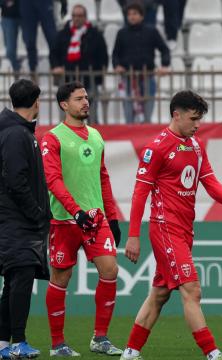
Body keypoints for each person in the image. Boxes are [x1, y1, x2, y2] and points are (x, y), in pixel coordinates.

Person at [120, 90, 222, 360]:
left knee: (159, 294)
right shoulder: (157, 147)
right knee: (192, 289)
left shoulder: (195, 145)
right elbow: (139, 193)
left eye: (200, 119)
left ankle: (131, 352)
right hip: (164, 226)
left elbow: (212, 184)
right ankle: (212, 353)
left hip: (183, 229)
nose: (197, 125)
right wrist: (133, 236)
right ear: (176, 115)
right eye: (193, 119)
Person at [41, 81, 122, 357]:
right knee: (61, 278)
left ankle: (100, 338)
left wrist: (112, 217)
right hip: (64, 221)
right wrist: (76, 211)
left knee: (110, 271)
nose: (86, 102)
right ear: (65, 105)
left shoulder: (96, 136)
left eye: (86, 97)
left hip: (95, 220)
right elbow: (53, 180)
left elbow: (102, 177)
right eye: (79, 99)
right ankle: (57, 344)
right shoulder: (53, 138)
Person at [0, 79, 50, 359]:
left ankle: (4, 344)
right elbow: (15, 181)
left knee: (13, 282)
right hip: (17, 222)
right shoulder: (17, 135)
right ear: (36, 102)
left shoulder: (15, 131)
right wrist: (37, 214)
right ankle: (18, 342)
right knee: (21, 279)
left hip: (13, 221)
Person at [112, 1, 170, 124]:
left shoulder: (152, 31)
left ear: (142, 16)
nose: (132, 16)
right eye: (129, 14)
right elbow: (115, 54)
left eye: (135, 13)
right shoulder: (121, 33)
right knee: (128, 108)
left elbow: (164, 49)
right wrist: (117, 65)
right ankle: (130, 132)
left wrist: (164, 65)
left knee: (148, 108)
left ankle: (145, 133)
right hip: (128, 77)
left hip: (147, 75)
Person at [50, 4, 109, 123]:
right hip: (67, 81)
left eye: (80, 16)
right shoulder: (62, 34)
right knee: (66, 115)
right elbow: (53, 54)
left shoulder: (95, 35)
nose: (76, 18)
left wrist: (98, 76)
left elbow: (103, 57)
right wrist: (56, 67)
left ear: (85, 17)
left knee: (91, 114)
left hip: (89, 80)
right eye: (74, 16)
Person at [19, 0, 61, 72]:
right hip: (26, 4)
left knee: (53, 39)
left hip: (44, 3)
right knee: (29, 41)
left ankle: (56, 67)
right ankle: (33, 69)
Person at [1, 0, 21, 73]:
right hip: (8, 17)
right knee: (10, 51)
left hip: (27, 13)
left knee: (30, 44)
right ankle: (16, 68)